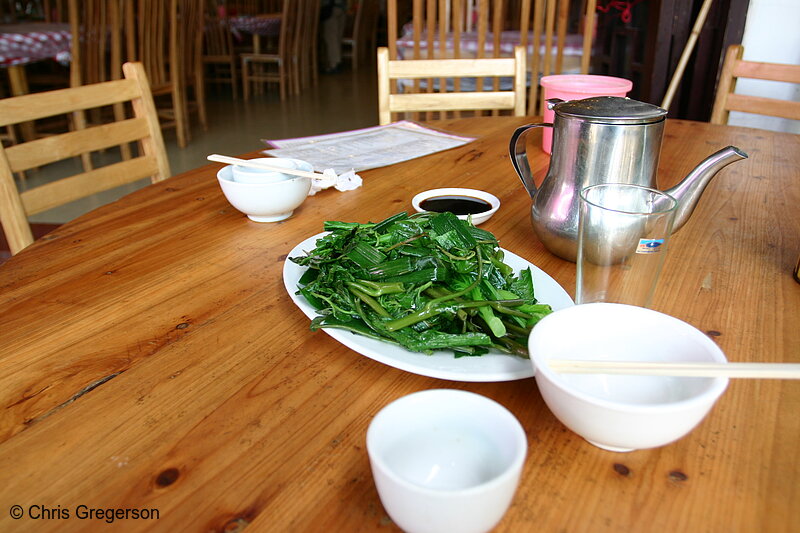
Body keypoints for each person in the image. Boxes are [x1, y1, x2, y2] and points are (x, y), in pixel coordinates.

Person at [320, 0, 348, 73]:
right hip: (341, 6)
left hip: (330, 8)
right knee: (337, 36)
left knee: (330, 36)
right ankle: (337, 62)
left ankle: (334, 64)